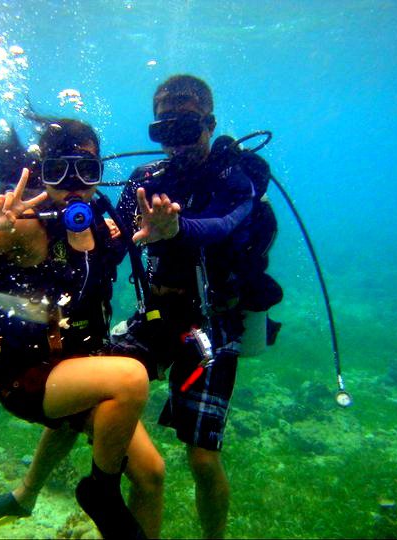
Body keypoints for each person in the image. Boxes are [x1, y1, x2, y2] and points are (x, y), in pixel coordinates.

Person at [0, 118, 162, 539]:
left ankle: (25, 496)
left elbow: (132, 244)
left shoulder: (104, 226)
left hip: (79, 367)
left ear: (99, 173)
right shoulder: (26, 227)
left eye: (86, 172)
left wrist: (161, 234)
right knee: (130, 378)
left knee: (152, 475)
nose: (74, 186)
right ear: (42, 174)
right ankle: (101, 492)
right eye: (58, 172)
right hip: (29, 378)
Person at [111, 74, 283, 538]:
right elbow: (115, 239)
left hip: (214, 322)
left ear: (209, 123)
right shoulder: (146, 181)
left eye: (186, 129)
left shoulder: (237, 175)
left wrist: (175, 230)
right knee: (90, 389)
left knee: (203, 460)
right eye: (164, 132)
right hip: (156, 315)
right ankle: (30, 494)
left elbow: (223, 224)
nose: (176, 144)